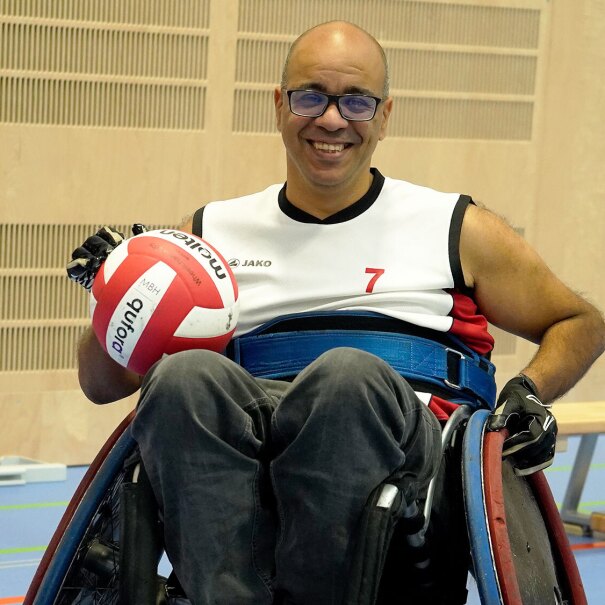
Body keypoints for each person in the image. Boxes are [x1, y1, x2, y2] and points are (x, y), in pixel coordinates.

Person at [68, 21, 605, 605]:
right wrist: (114, 296)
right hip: (257, 453)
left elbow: (579, 322)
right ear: (279, 105)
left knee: (346, 378)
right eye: (310, 97)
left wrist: (530, 391)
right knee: (180, 379)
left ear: (385, 114)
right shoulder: (210, 236)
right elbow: (102, 385)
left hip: (407, 456)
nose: (331, 119)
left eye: (356, 101)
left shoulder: (454, 227)